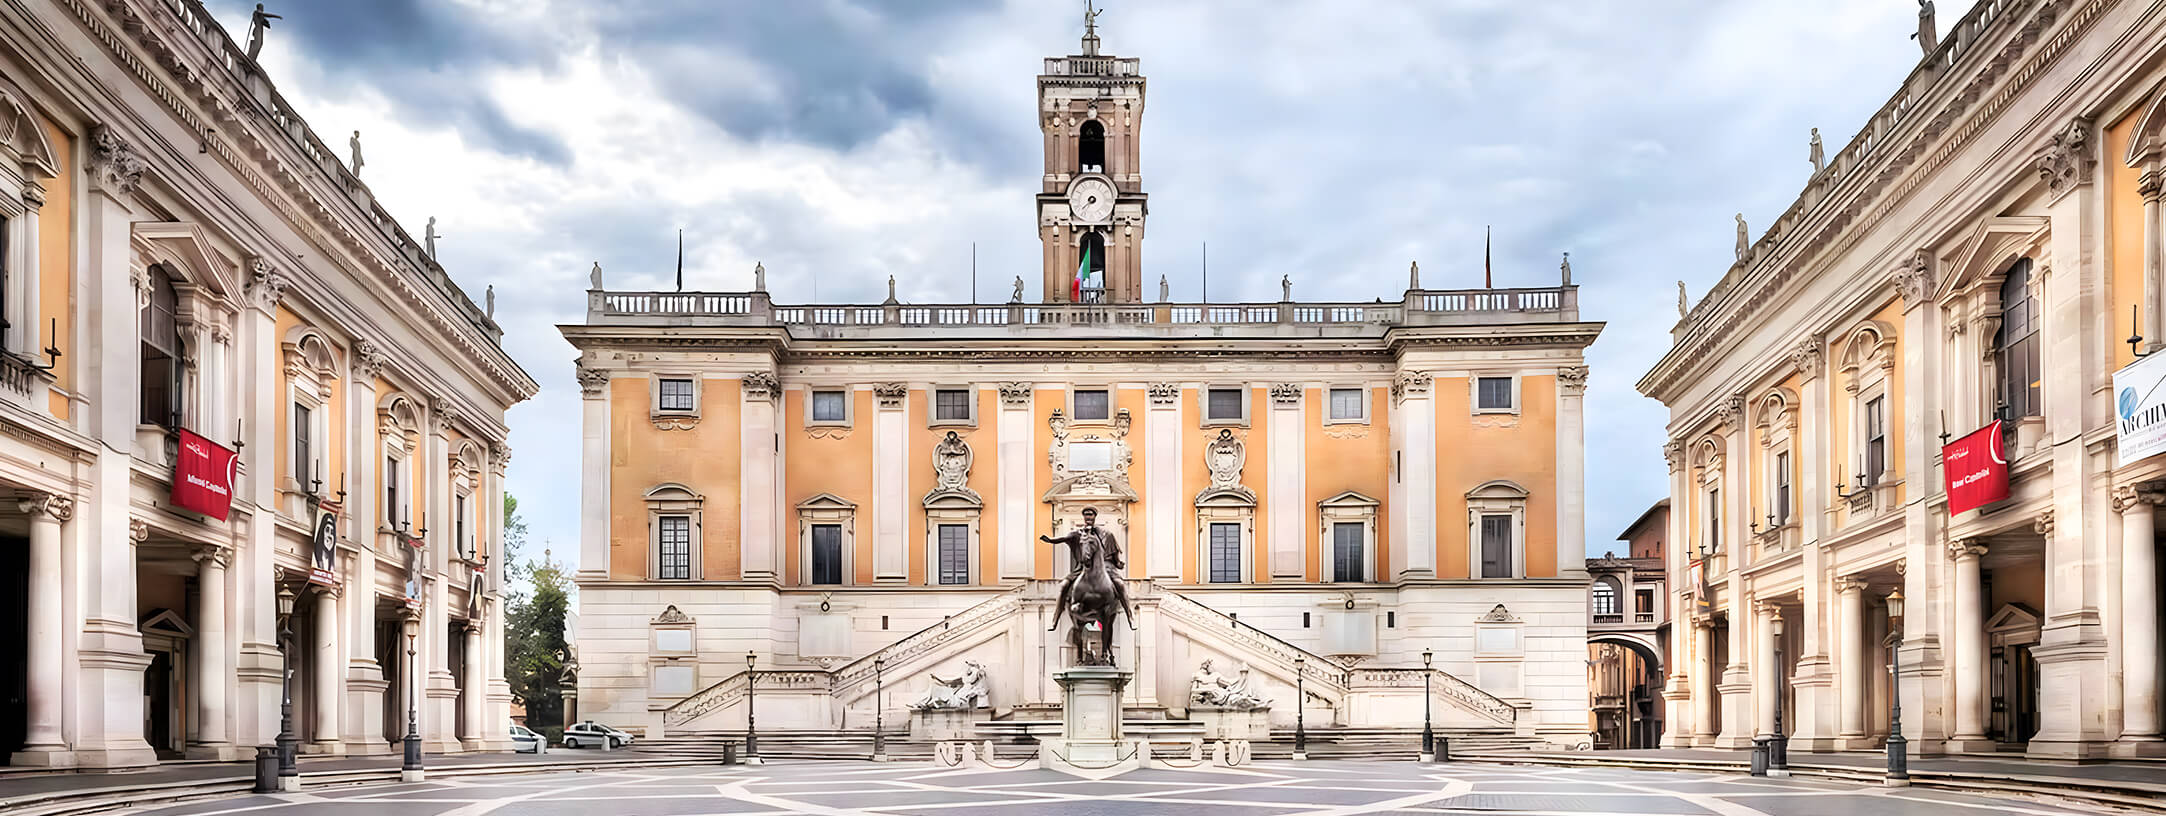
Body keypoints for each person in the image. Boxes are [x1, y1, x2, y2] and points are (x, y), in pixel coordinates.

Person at [1041, 507, 1135, 631]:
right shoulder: (1077, 534)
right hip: (1082, 568)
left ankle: (1130, 617)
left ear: (1094, 516)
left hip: (1106, 567)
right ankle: (1055, 619)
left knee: (1120, 584)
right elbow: (1063, 538)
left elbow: (1114, 553)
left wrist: (1117, 563)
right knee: (1063, 585)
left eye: (1090, 515)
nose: (1088, 517)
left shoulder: (1107, 534)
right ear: (1083, 517)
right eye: (1086, 515)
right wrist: (1050, 540)